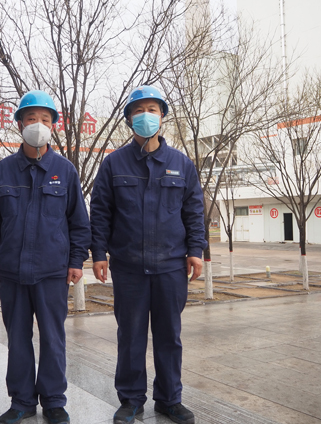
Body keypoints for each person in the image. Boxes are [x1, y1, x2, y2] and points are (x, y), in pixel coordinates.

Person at [90, 85, 207, 424]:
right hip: (128, 267)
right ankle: (130, 400)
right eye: (138, 111)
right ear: (129, 119)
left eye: (152, 110)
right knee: (130, 336)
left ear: (162, 116)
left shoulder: (181, 164)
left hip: (171, 266)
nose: (146, 116)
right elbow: (100, 211)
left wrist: (195, 250)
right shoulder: (113, 164)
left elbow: (193, 211)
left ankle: (170, 399)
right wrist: (98, 253)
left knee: (169, 336)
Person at [0, 90, 91, 424]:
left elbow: (78, 222)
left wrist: (76, 261)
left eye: (45, 119)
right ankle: (22, 400)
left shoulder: (65, 171)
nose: (38, 124)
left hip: (52, 271)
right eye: (31, 118)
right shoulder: (2, 172)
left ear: (53, 125)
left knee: (53, 339)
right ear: (20, 124)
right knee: (17, 339)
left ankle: (54, 401)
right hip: (11, 272)